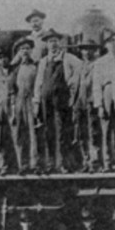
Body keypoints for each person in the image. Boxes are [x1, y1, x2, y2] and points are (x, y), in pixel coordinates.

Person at [33, 29, 77, 172]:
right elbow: (38, 82)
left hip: (61, 100)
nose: (53, 44)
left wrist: (71, 83)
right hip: (46, 102)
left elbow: (80, 69)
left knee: (62, 131)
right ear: (46, 44)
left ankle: (63, 164)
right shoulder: (43, 61)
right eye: (50, 41)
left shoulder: (68, 58)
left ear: (60, 42)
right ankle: (50, 164)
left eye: (56, 41)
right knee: (48, 132)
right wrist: (36, 102)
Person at [92, 30, 115, 172]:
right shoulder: (101, 62)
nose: (113, 43)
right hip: (107, 93)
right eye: (110, 41)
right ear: (105, 45)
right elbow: (96, 85)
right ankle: (107, 162)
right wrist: (99, 105)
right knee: (106, 130)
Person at [11, 37, 40, 173]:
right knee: (19, 134)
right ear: (18, 52)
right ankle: (22, 165)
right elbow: (11, 89)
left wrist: (36, 103)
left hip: (31, 102)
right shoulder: (15, 69)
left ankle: (34, 164)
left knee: (33, 134)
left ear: (31, 50)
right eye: (22, 49)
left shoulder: (36, 66)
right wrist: (13, 107)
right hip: (19, 102)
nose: (25, 51)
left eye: (27, 48)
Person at [0, 48, 15, 174]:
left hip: (12, 106)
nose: (3, 60)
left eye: (5, 57)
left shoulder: (14, 72)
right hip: (0, 108)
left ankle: (17, 165)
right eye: (0, 58)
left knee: (15, 135)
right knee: (0, 138)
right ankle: (3, 166)